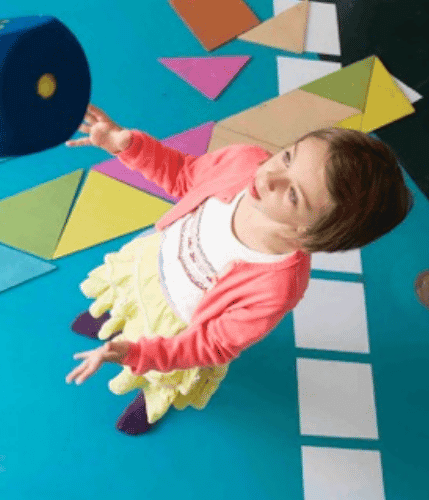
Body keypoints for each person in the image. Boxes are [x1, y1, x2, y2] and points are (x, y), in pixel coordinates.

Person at [64, 104, 411, 435]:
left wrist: (135, 353)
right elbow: (185, 175)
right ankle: (111, 323)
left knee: (159, 376)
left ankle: (148, 396)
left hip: (176, 329)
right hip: (150, 267)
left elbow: (209, 344)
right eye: (288, 156)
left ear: (312, 234)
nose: (271, 175)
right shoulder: (243, 162)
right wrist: (126, 144)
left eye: (293, 195)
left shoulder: (277, 287)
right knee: (125, 302)